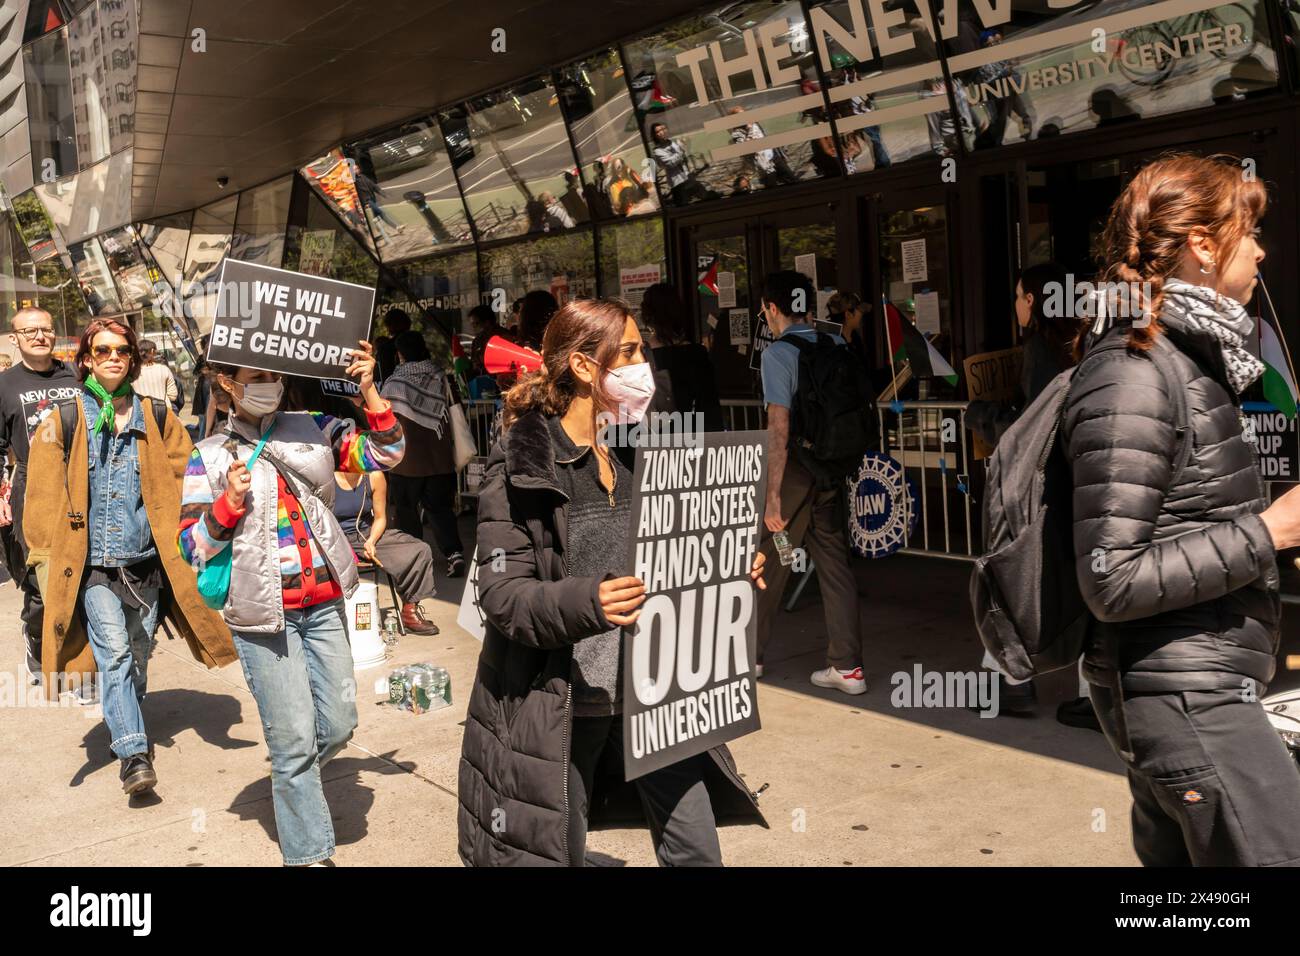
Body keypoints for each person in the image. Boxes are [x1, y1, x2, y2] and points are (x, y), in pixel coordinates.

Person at [457, 298, 768, 866]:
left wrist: (724, 570)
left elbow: (676, 553)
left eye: (640, 350)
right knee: (557, 850)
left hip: (658, 696)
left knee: (698, 852)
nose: (641, 365)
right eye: (627, 353)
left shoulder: (642, 449)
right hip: (569, 706)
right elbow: (501, 595)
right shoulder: (521, 466)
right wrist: (590, 600)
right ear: (582, 367)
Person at [1065, 154, 1300, 866]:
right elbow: (1110, 577)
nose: (1260, 249)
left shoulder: (1188, 355)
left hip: (1193, 686)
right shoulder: (1135, 370)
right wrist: (1268, 531)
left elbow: (1187, 520)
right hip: (1185, 697)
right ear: (1203, 243)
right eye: (1248, 229)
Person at [178, 339, 404, 866]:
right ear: (229, 385)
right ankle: (308, 852)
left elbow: (388, 452)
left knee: (341, 722)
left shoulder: (319, 428)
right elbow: (192, 547)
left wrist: (368, 389)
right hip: (262, 619)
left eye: (273, 376)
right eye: (255, 377)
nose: (269, 386)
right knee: (295, 741)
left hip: (324, 604)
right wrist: (226, 507)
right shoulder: (208, 455)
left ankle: (291, 770)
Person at [25, 318, 234, 796]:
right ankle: (133, 752)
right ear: (86, 359)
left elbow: (192, 482)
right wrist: (44, 567)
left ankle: (126, 711)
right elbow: (39, 501)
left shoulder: (158, 418)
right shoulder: (64, 421)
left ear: (133, 357)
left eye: (122, 350)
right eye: (102, 350)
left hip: (147, 564)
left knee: (138, 653)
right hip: (93, 566)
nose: (113, 357)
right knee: (114, 653)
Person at [963, 262, 1077, 717]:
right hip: (1080, 480)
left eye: (1017, 296)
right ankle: (1089, 693)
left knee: (1012, 574)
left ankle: (1009, 679)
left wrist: (982, 415)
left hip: (1043, 486)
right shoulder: (1083, 342)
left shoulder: (1041, 350)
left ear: (1033, 301)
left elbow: (1031, 429)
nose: (1015, 306)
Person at [755, 271, 866, 693]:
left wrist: (773, 498)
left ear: (771, 308)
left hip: (797, 476)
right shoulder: (837, 343)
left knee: (773, 556)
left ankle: (752, 657)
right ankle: (848, 666)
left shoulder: (778, 354)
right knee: (835, 565)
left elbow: (778, 429)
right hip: (832, 472)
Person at [0, 307, 81, 684]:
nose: (38, 336)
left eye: (45, 329)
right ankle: (36, 635)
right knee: (37, 575)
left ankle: (80, 655)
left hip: (79, 482)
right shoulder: (4, 385)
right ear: (15, 338)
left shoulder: (77, 375)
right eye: (28, 331)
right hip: (32, 489)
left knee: (82, 572)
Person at [380, 330, 466, 577]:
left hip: (405, 462)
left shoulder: (394, 384)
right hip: (440, 460)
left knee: (406, 512)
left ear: (400, 355)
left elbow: (383, 419)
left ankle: (414, 561)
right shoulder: (440, 377)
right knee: (441, 510)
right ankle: (454, 554)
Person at [333, 451, 440, 636]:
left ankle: (409, 611)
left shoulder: (374, 476)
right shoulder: (327, 478)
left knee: (419, 550)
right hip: (334, 538)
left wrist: (372, 541)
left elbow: (381, 517)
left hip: (365, 535)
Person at [640, 283, 723, 431]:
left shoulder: (642, 357)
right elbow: (709, 405)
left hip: (657, 440)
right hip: (695, 436)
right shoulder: (696, 353)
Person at [133, 340, 180, 411]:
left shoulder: (131, 373)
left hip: (139, 415)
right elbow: (173, 395)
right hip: (163, 414)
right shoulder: (164, 369)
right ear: (152, 351)